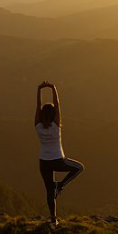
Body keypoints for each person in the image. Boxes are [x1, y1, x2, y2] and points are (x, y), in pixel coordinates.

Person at [35, 81, 84, 226]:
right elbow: (58, 104)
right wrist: (53, 88)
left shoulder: (37, 126)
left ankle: (53, 218)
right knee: (79, 167)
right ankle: (61, 185)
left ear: (42, 114)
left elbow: (38, 106)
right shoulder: (56, 126)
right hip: (58, 160)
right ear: (54, 114)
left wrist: (39, 90)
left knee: (49, 191)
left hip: (44, 162)